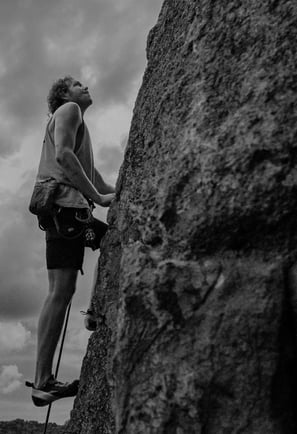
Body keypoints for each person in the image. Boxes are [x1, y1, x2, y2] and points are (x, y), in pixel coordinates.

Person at [26, 76, 115, 407]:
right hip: (65, 209)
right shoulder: (70, 109)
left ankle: (93, 310)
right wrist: (99, 198)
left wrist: (113, 193)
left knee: (110, 244)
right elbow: (64, 156)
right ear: (63, 95)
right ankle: (42, 381)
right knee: (60, 291)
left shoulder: (79, 124)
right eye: (77, 83)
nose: (84, 85)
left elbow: (95, 177)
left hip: (66, 212)